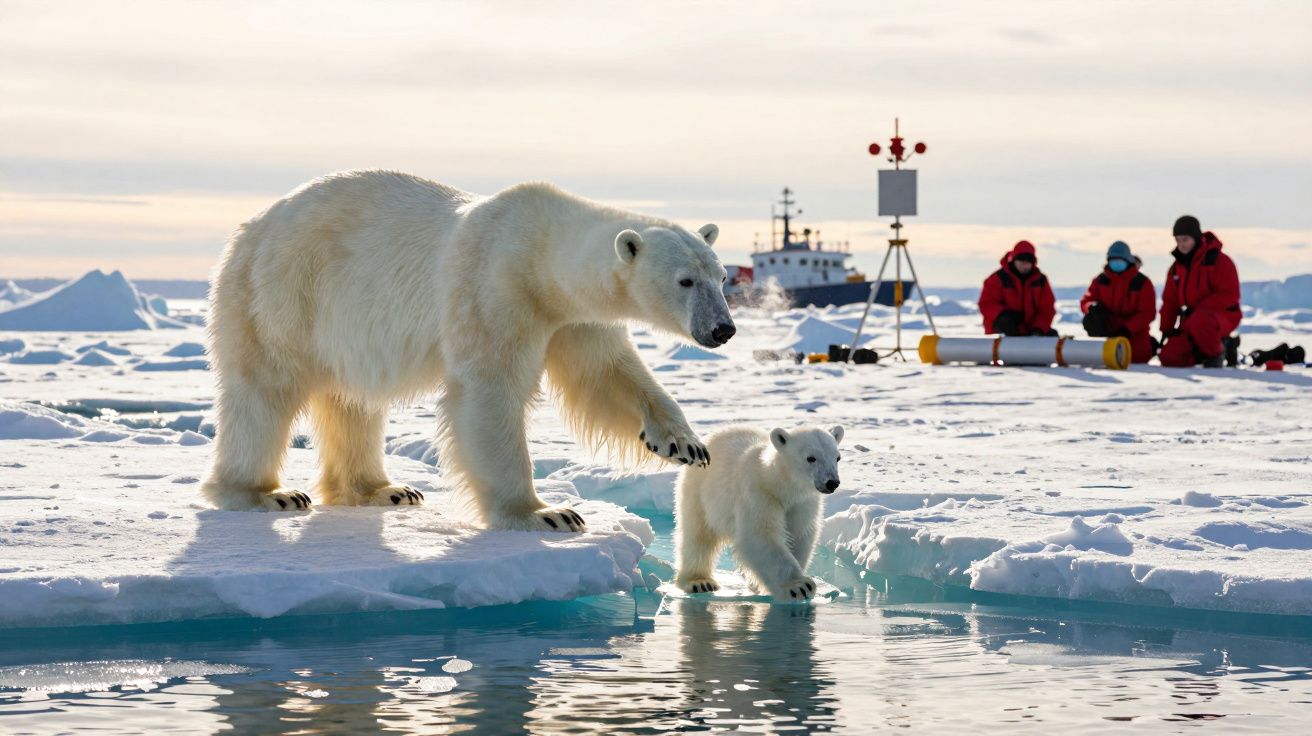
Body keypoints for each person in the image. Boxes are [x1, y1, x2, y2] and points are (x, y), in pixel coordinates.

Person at [1157, 215, 1241, 368]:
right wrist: (1166, 329)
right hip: (1191, 322)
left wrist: (1199, 309)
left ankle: (1216, 354)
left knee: (1200, 320)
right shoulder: (1175, 269)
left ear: (1195, 237)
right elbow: (1170, 302)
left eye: (1185, 239)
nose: (1181, 244)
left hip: (1222, 316)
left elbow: (1230, 295)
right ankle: (1210, 349)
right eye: (1177, 240)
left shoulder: (1219, 261)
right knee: (1169, 357)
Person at [1079, 241, 1156, 363]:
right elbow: (1086, 300)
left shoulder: (1142, 282)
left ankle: (1151, 343)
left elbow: (1147, 313)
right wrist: (1090, 307)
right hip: (1106, 329)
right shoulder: (1100, 280)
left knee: (1135, 356)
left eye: (1120, 261)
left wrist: (1127, 329)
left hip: (1133, 332)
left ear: (1128, 261)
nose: (1116, 264)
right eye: (1113, 260)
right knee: (1101, 356)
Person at [979, 240, 1057, 336]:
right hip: (1001, 333)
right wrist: (1003, 315)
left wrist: (1038, 328)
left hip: (1030, 331)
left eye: (1028, 261)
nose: (1024, 265)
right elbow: (987, 304)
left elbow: (1047, 309)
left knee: (1052, 337)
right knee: (1004, 323)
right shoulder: (998, 278)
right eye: (1021, 260)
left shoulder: (1041, 281)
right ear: (1013, 259)